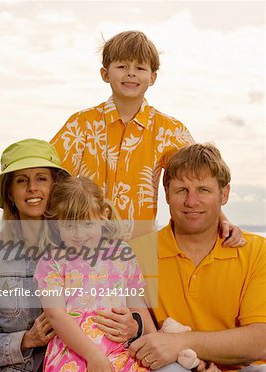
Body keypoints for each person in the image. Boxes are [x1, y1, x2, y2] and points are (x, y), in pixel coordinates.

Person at [0, 139, 139, 372]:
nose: (33, 188)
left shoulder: (83, 249)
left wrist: (134, 323)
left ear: (55, 186)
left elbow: (125, 285)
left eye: (41, 178)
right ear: (10, 193)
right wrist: (24, 340)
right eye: (21, 180)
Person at [129, 143, 266, 372]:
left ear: (225, 194)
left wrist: (180, 342)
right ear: (166, 195)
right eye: (181, 190)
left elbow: (260, 340)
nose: (192, 201)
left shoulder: (256, 251)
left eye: (203, 189)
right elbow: (138, 340)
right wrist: (188, 361)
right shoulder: (140, 254)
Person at [50, 30, 243, 245]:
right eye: (122, 66)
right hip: (81, 246)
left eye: (140, 68)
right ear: (105, 73)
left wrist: (222, 220)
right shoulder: (81, 124)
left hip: (140, 244)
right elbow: (51, 177)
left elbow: (200, 176)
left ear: (152, 77)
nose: (131, 73)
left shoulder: (169, 131)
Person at [34, 176, 160, 372]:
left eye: (87, 224)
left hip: (119, 356)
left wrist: (156, 341)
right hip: (74, 356)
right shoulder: (52, 259)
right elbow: (56, 315)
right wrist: (93, 356)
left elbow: (136, 300)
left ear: (103, 215)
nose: (79, 234)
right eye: (69, 225)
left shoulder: (122, 253)